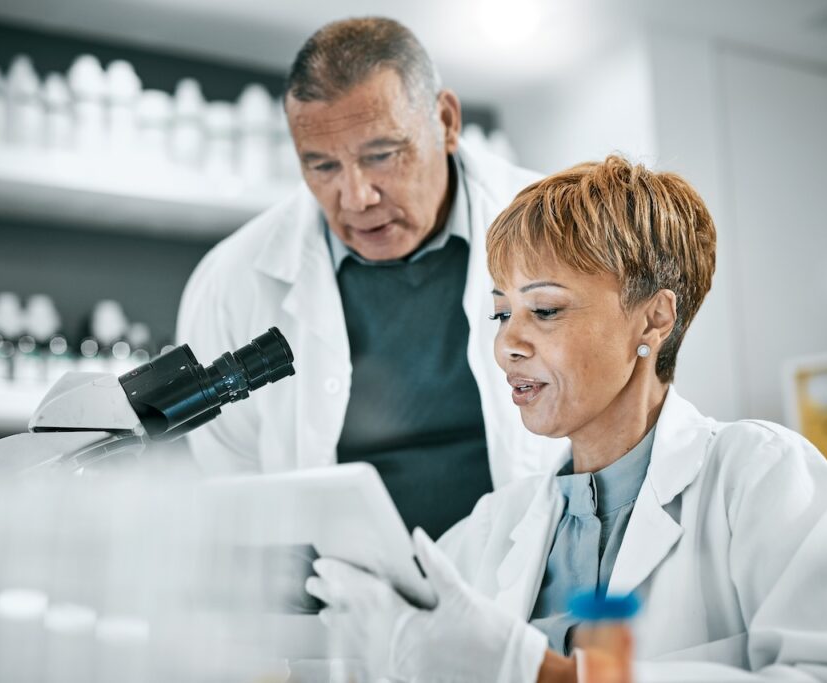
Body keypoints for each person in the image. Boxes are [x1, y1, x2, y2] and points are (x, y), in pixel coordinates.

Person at [305, 156, 827, 682]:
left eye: (545, 309)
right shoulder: (492, 527)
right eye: (500, 313)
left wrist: (547, 674)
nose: (507, 343)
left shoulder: (756, 476)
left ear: (653, 319)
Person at [178, 17, 565, 538]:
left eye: (381, 155)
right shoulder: (232, 282)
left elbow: (618, 425)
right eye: (322, 167)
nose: (356, 197)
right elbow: (234, 479)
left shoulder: (562, 236)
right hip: (334, 607)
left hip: (529, 591)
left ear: (446, 121)